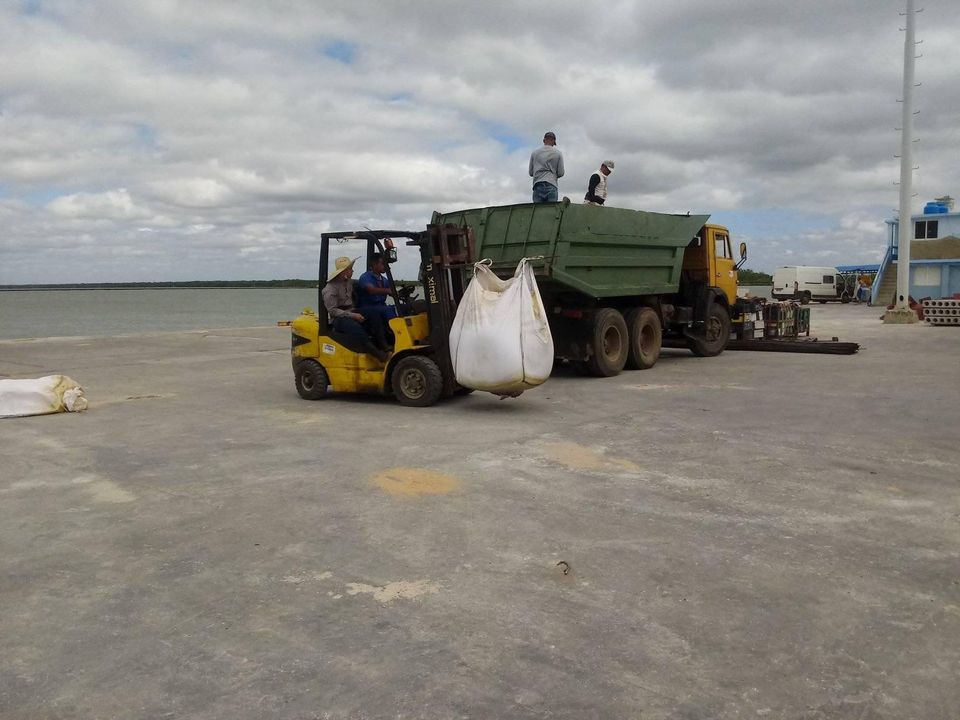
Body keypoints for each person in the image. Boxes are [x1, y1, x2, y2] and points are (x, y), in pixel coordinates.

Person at [322, 256, 390, 361]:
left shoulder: (349, 282)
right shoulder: (330, 289)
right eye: (350, 269)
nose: (352, 271)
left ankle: (384, 344)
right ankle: (377, 354)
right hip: (339, 317)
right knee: (356, 329)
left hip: (352, 310)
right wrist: (353, 315)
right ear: (343, 272)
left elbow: (365, 286)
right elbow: (333, 311)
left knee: (374, 313)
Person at [357, 253, 398, 322]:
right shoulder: (365, 277)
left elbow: (392, 292)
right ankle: (394, 330)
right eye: (382, 264)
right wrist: (387, 291)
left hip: (381, 306)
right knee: (388, 310)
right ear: (374, 264)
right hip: (367, 307)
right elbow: (371, 290)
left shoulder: (384, 280)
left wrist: (399, 294)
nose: (385, 266)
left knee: (401, 308)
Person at [528, 131, 564, 203]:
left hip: (537, 184)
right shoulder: (558, 153)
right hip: (551, 184)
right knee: (551, 212)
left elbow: (531, 172)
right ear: (554, 141)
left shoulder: (534, 153)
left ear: (544, 140)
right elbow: (561, 173)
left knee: (538, 212)